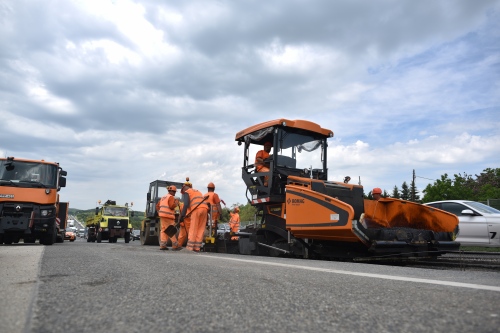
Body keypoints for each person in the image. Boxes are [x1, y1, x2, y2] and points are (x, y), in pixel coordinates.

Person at [179, 182, 209, 253]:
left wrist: (182, 216)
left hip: (197, 209)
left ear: (184, 189)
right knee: (200, 228)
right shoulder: (197, 191)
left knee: (193, 227)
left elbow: (186, 204)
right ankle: (197, 247)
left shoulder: (187, 192)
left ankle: (190, 247)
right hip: (205, 209)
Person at [156, 185, 179, 250]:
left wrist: (159, 212)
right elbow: (171, 206)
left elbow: (157, 206)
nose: (175, 193)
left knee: (163, 230)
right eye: (174, 192)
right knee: (170, 230)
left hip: (162, 215)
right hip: (168, 216)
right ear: (171, 191)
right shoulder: (171, 197)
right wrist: (176, 203)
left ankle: (163, 245)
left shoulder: (163, 197)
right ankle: (175, 244)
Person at [172, 178, 192, 251]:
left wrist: (180, 219)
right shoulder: (184, 203)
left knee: (182, 234)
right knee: (189, 233)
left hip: (184, 220)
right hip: (187, 220)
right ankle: (190, 246)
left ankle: (177, 246)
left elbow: (181, 211)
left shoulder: (182, 204)